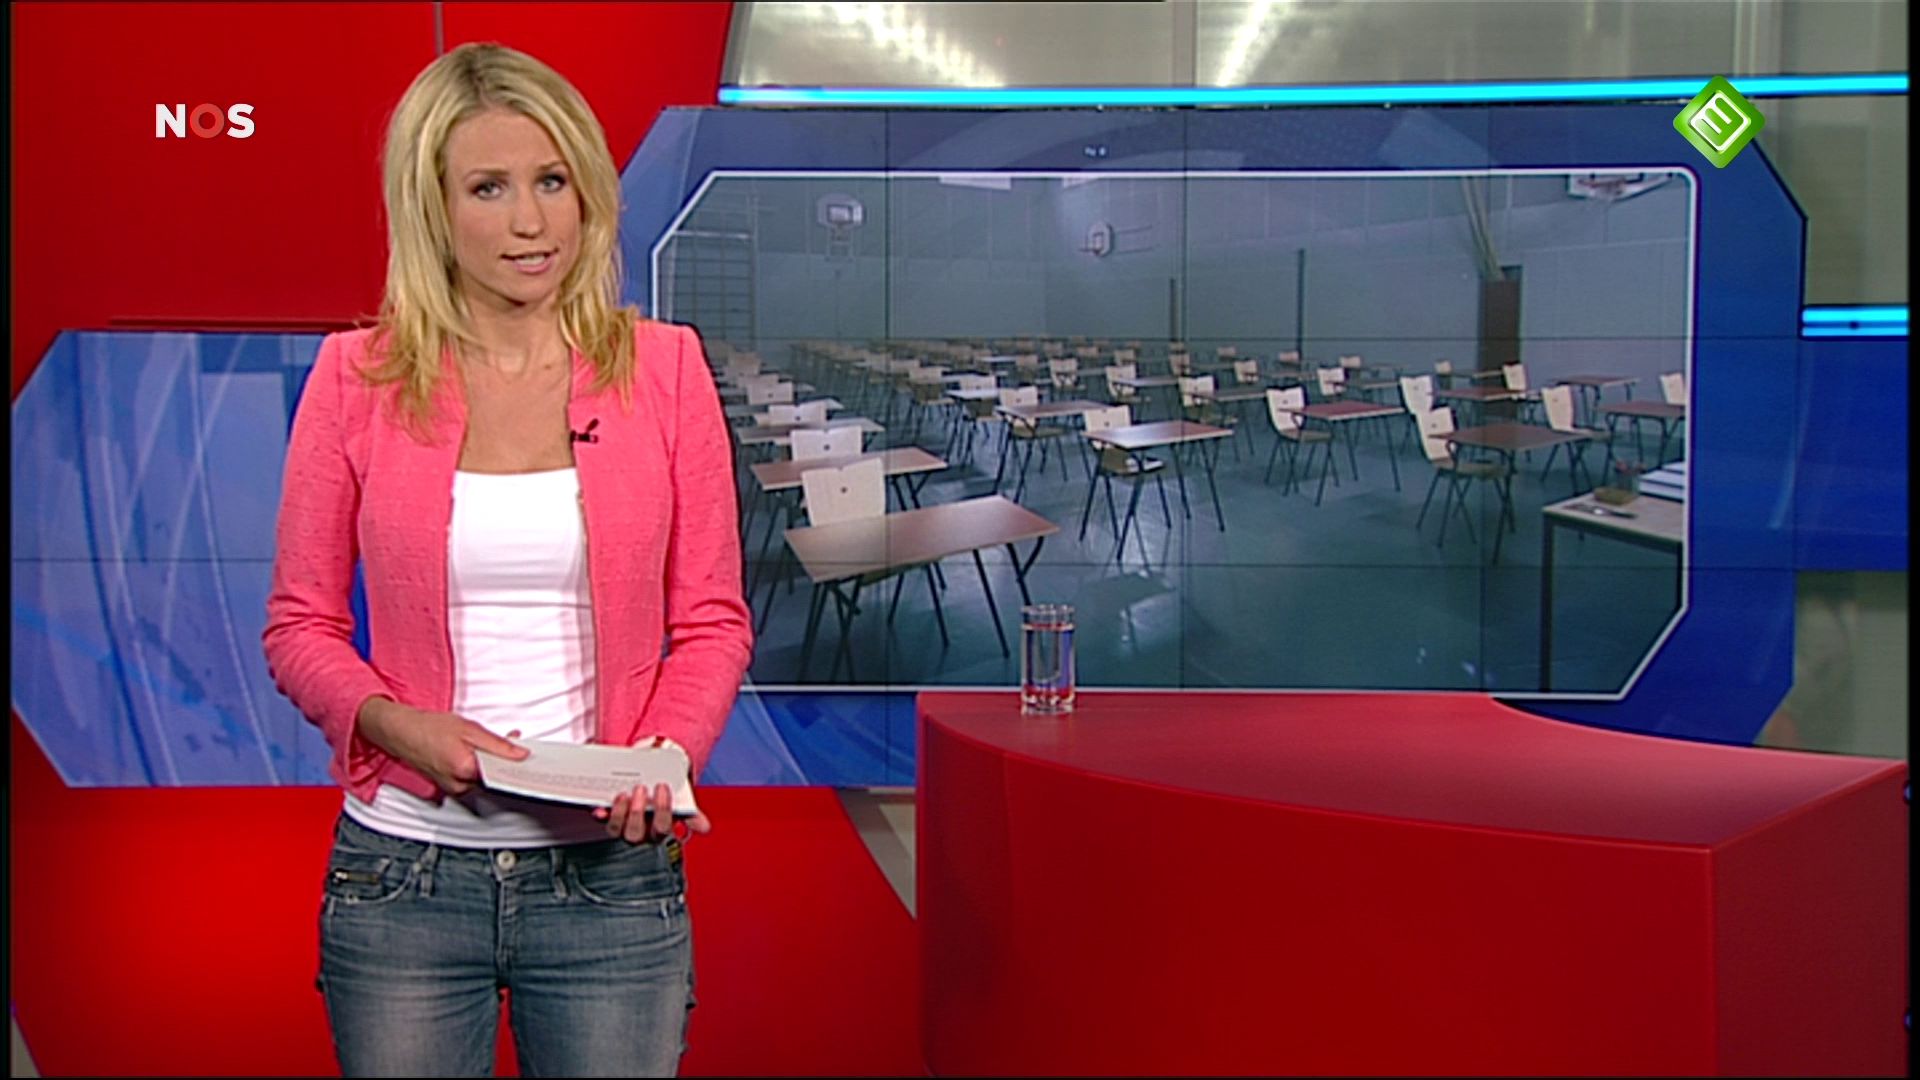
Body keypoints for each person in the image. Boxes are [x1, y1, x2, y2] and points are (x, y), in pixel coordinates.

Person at [262, 41, 752, 1077]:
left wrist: (664, 755)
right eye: (489, 188)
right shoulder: (355, 379)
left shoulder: (666, 371)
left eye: (552, 181)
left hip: (610, 882)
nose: (532, 222)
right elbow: (300, 625)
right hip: (403, 876)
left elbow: (712, 621)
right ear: (433, 208)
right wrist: (395, 725)